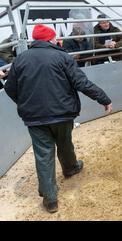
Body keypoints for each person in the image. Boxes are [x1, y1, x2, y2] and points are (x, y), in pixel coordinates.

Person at [4, 24, 113, 213]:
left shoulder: (20, 60)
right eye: (55, 38)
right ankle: (70, 168)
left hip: (35, 117)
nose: (57, 40)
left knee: (43, 154)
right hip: (62, 113)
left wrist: (24, 103)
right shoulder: (63, 57)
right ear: (50, 40)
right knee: (64, 141)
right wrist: (103, 98)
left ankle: (50, 199)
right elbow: (81, 82)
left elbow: (9, 88)